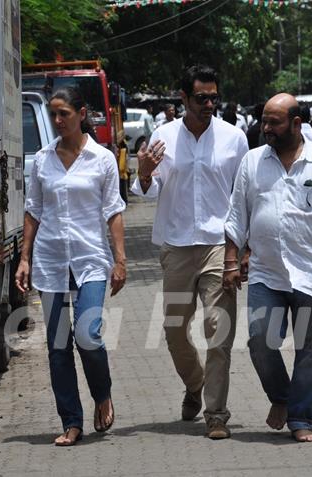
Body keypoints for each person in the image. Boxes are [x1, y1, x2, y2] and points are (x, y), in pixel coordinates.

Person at [223, 93, 312, 443]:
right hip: (266, 272)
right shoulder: (252, 162)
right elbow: (236, 216)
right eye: (264, 120)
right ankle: (282, 397)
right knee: (260, 340)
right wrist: (230, 263)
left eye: (274, 122)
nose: (266, 128)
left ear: (296, 124)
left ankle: (301, 420)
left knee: (311, 350)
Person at [131, 64, 249, 440]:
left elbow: (244, 196)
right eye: (201, 98)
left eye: (214, 97)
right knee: (174, 331)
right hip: (177, 246)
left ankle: (216, 413)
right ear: (183, 99)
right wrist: (145, 173)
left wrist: (244, 249)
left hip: (219, 245)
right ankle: (194, 383)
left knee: (218, 328)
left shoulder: (234, 139)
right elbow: (146, 191)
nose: (209, 104)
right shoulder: (162, 137)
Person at [16, 87, 127, 447]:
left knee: (87, 335)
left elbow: (113, 210)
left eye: (64, 113)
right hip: (50, 260)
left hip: (91, 259)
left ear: (82, 114)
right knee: (58, 345)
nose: (58, 120)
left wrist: (120, 259)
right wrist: (24, 257)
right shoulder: (43, 160)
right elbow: (34, 210)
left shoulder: (102, 158)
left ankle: (102, 393)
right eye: (54, 115)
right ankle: (72, 421)